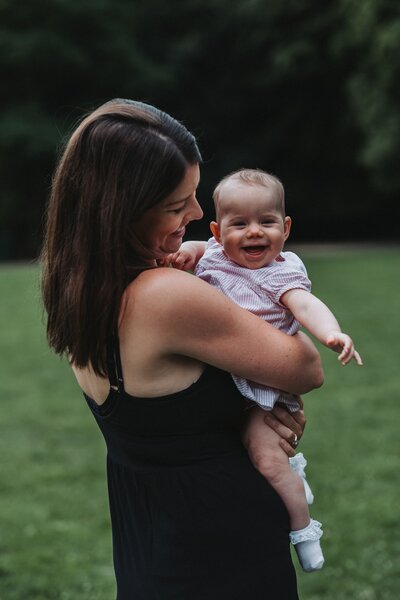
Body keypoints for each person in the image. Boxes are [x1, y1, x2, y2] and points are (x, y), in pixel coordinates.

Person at [41, 99, 324, 599]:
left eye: (194, 196)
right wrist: (271, 296)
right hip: (220, 549)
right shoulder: (164, 296)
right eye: (177, 205)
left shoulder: (78, 291)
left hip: (148, 539)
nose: (196, 214)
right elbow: (304, 367)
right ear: (120, 211)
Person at [166, 168, 362, 572]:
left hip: (262, 389)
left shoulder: (280, 274)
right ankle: (294, 477)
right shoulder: (215, 252)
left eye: (266, 221)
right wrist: (189, 250)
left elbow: (306, 306)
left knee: (265, 457)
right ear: (219, 233)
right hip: (226, 379)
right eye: (240, 224)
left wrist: (332, 334)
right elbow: (200, 247)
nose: (254, 232)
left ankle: (303, 530)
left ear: (285, 228)